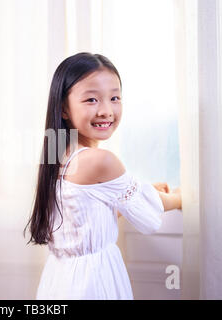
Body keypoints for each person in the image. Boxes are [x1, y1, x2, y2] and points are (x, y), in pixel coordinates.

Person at [24, 52, 182, 299]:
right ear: (64, 108)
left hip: (61, 279)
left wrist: (137, 192)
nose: (106, 110)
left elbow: (85, 214)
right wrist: (183, 197)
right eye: (91, 100)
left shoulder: (56, 156)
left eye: (114, 97)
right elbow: (148, 214)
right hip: (94, 281)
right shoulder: (100, 161)